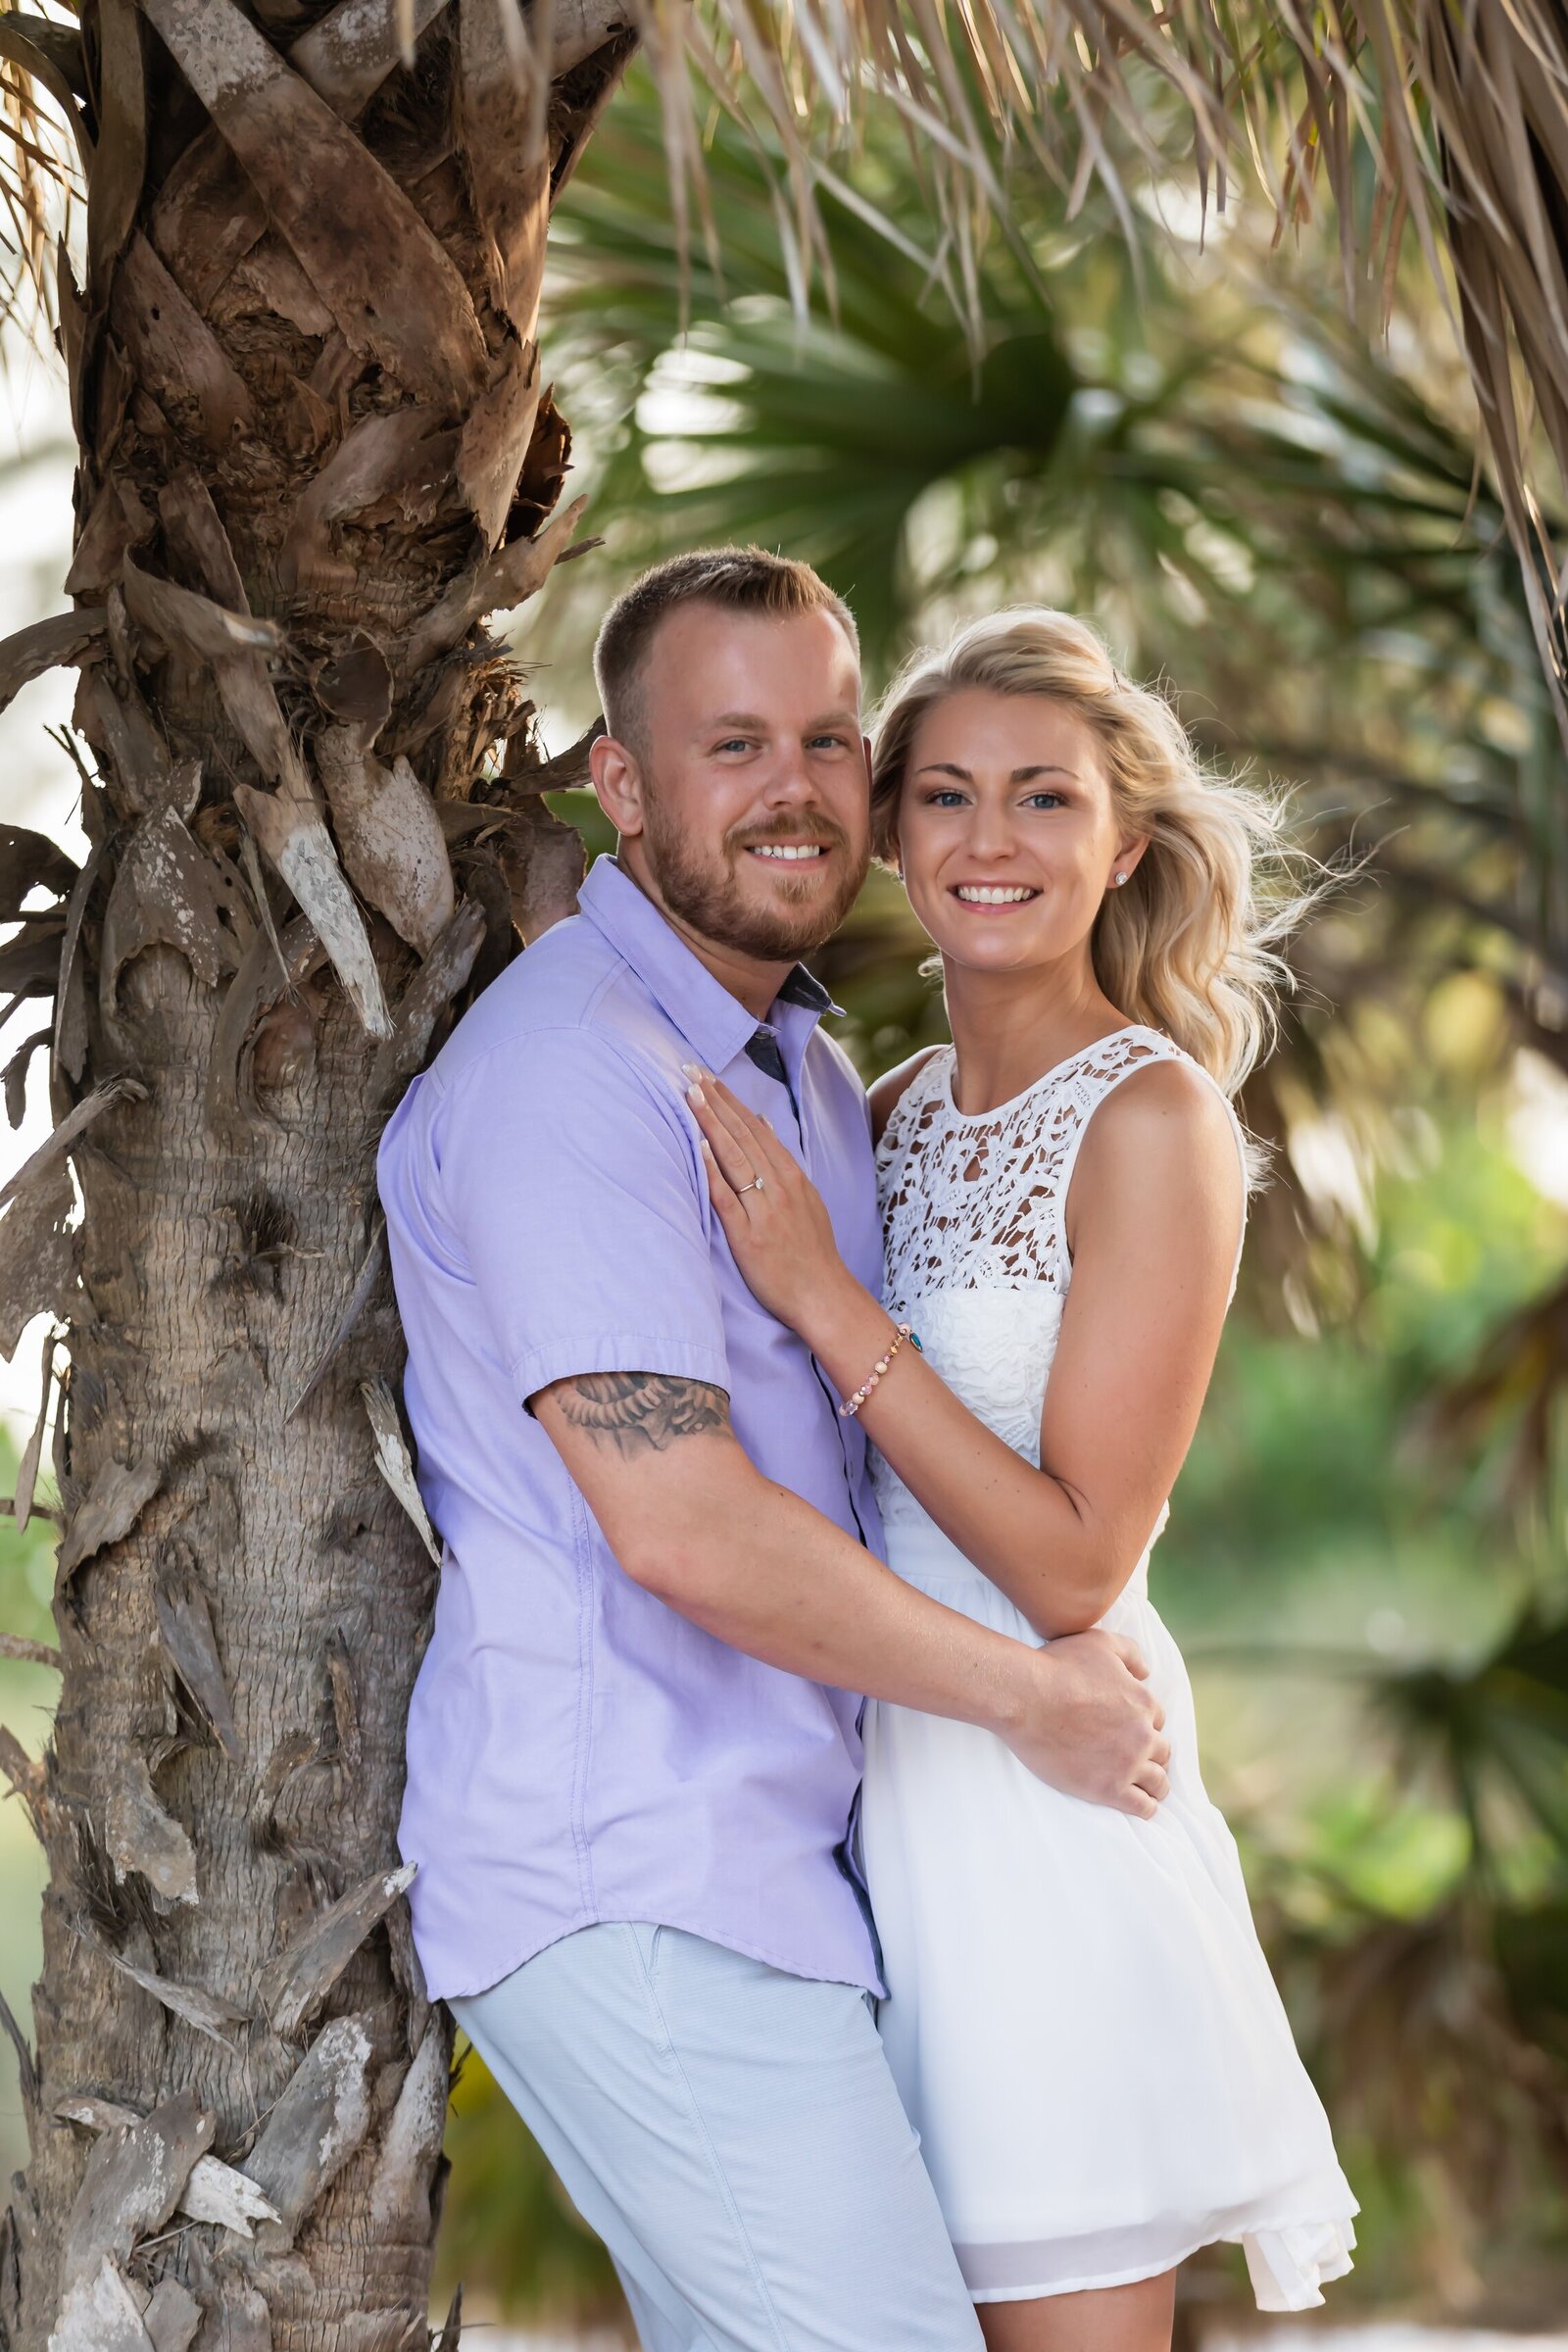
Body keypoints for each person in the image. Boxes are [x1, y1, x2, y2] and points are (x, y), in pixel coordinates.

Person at [376, 552, 1170, 2352]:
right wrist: (1034, 1698)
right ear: (621, 783)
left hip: (785, 1878)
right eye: (731, 744)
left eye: (827, 735)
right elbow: (683, 1528)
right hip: (634, 1881)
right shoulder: (583, 1072)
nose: (797, 786)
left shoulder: (806, 1070)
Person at [685, 607, 1358, 2352]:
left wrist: (830, 1304)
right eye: (950, 797)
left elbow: (1073, 1565)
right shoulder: (886, 1106)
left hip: (1042, 1803)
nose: (992, 843)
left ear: (1121, 838)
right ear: (894, 831)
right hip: (862, 1798)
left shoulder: (1155, 1124)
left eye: (1045, 800)